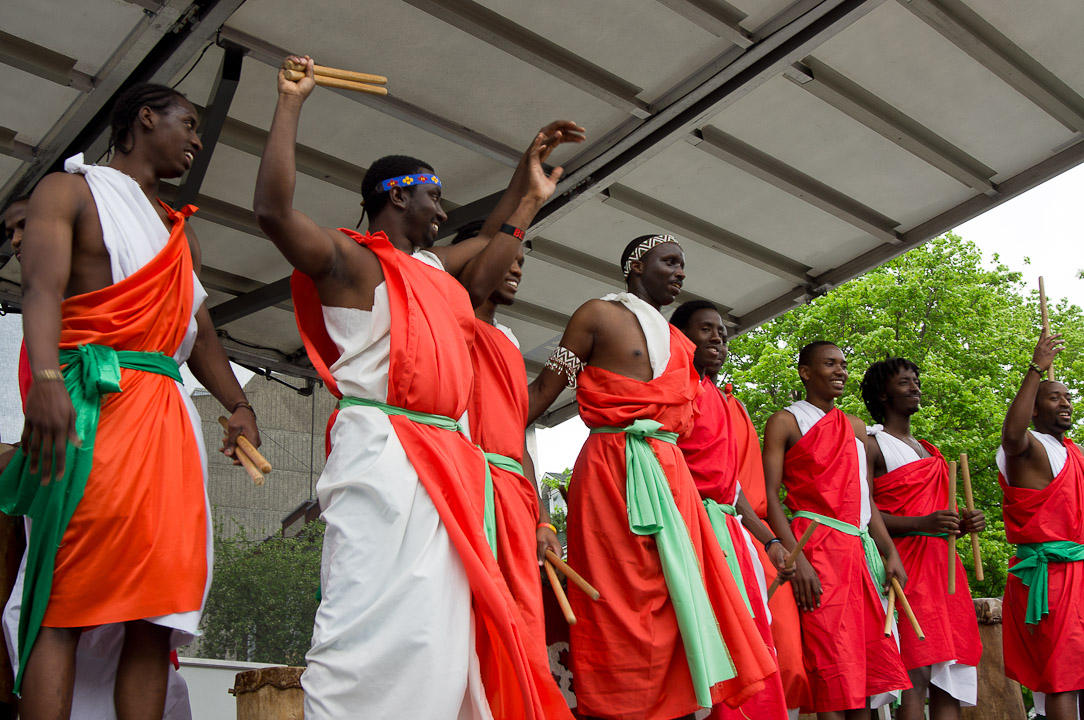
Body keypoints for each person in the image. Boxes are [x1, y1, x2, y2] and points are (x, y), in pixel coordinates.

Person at [253, 55, 582, 719]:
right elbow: (272, 210)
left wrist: (529, 192)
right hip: (382, 452)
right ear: (397, 194)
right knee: (364, 616)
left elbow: (492, 249)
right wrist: (290, 102)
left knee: (439, 627)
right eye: (433, 194)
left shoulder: (433, 269)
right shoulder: (351, 263)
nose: (442, 208)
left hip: (448, 463)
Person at [0, 81, 259, 720]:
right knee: (64, 602)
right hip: (96, 406)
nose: (198, 140)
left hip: (168, 420)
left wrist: (236, 405)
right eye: (189, 123)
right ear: (145, 118)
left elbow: (199, 332)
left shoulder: (178, 231)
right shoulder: (67, 191)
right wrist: (49, 381)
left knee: (156, 614)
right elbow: (38, 288)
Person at [527, 235, 776, 720]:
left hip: (670, 475)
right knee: (617, 601)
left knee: (676, 597)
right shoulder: (595, 315)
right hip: (610, 469)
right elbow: (543, 391)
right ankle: (617, 705)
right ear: (636, 265)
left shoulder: (680, 344)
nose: (680, 273)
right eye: (670, 262)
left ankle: (676, 707)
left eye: (683, 265)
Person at [1, 197, 195, 720]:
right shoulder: (47, 324)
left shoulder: (94, 307)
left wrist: (237, 404)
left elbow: (196, 324)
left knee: (137, 611)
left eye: (26, 225)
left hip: (111, 446)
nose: (19, 239)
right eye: (13, 232)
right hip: (57, 472)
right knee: (40, 606)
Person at [761, 341, 909, 719]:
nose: (841, 371)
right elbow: (771, 498)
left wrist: (889, 552)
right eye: (829, 364)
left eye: (844, 364)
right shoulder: (785, 421)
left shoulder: (857, 427)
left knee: (864, 671)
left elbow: (867, 499)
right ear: (806, 372)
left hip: (859, 552)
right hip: (817, 548)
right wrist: (798, 558)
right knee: (831, 665)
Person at [670, 300, 790, 720]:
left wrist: (770, 540)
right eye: (706, 330)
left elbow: (733, 488)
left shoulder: (720, 399)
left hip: (730, 533)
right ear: (682, 338)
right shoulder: (674, 389)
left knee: (751, 636)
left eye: (722, 331)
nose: (719, 338)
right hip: (690, 528)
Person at [452, 220, 564, 670]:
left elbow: (517, 439)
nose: (516, 269)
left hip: (512, 498)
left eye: (522, 262)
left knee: (520, 627)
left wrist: (543, 521)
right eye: (508, 259)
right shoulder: (448, 324)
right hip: (461, 485)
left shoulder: (510, 340)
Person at [861, 358, 983, 719]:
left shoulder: (928, 449)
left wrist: (962, 522)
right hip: (905, 567)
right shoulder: (872, 443)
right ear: (883, 394)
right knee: (915, 670)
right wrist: (922, 523)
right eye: (904, 383)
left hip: (944, 570)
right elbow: (863, 511)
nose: (915, 387)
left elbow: (936, 517)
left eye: (916, 381)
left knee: (950, 675)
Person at [998, 333, 1084, 720]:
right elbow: (1012, 436)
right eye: (1053, 397)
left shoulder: (1073, 451)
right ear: (1032, 408)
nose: (1064, 402)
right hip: (1050, 576)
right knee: (1062, 676)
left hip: (1079, 571)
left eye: (1068, 397)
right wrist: (1035, 367)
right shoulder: (1027, 448)